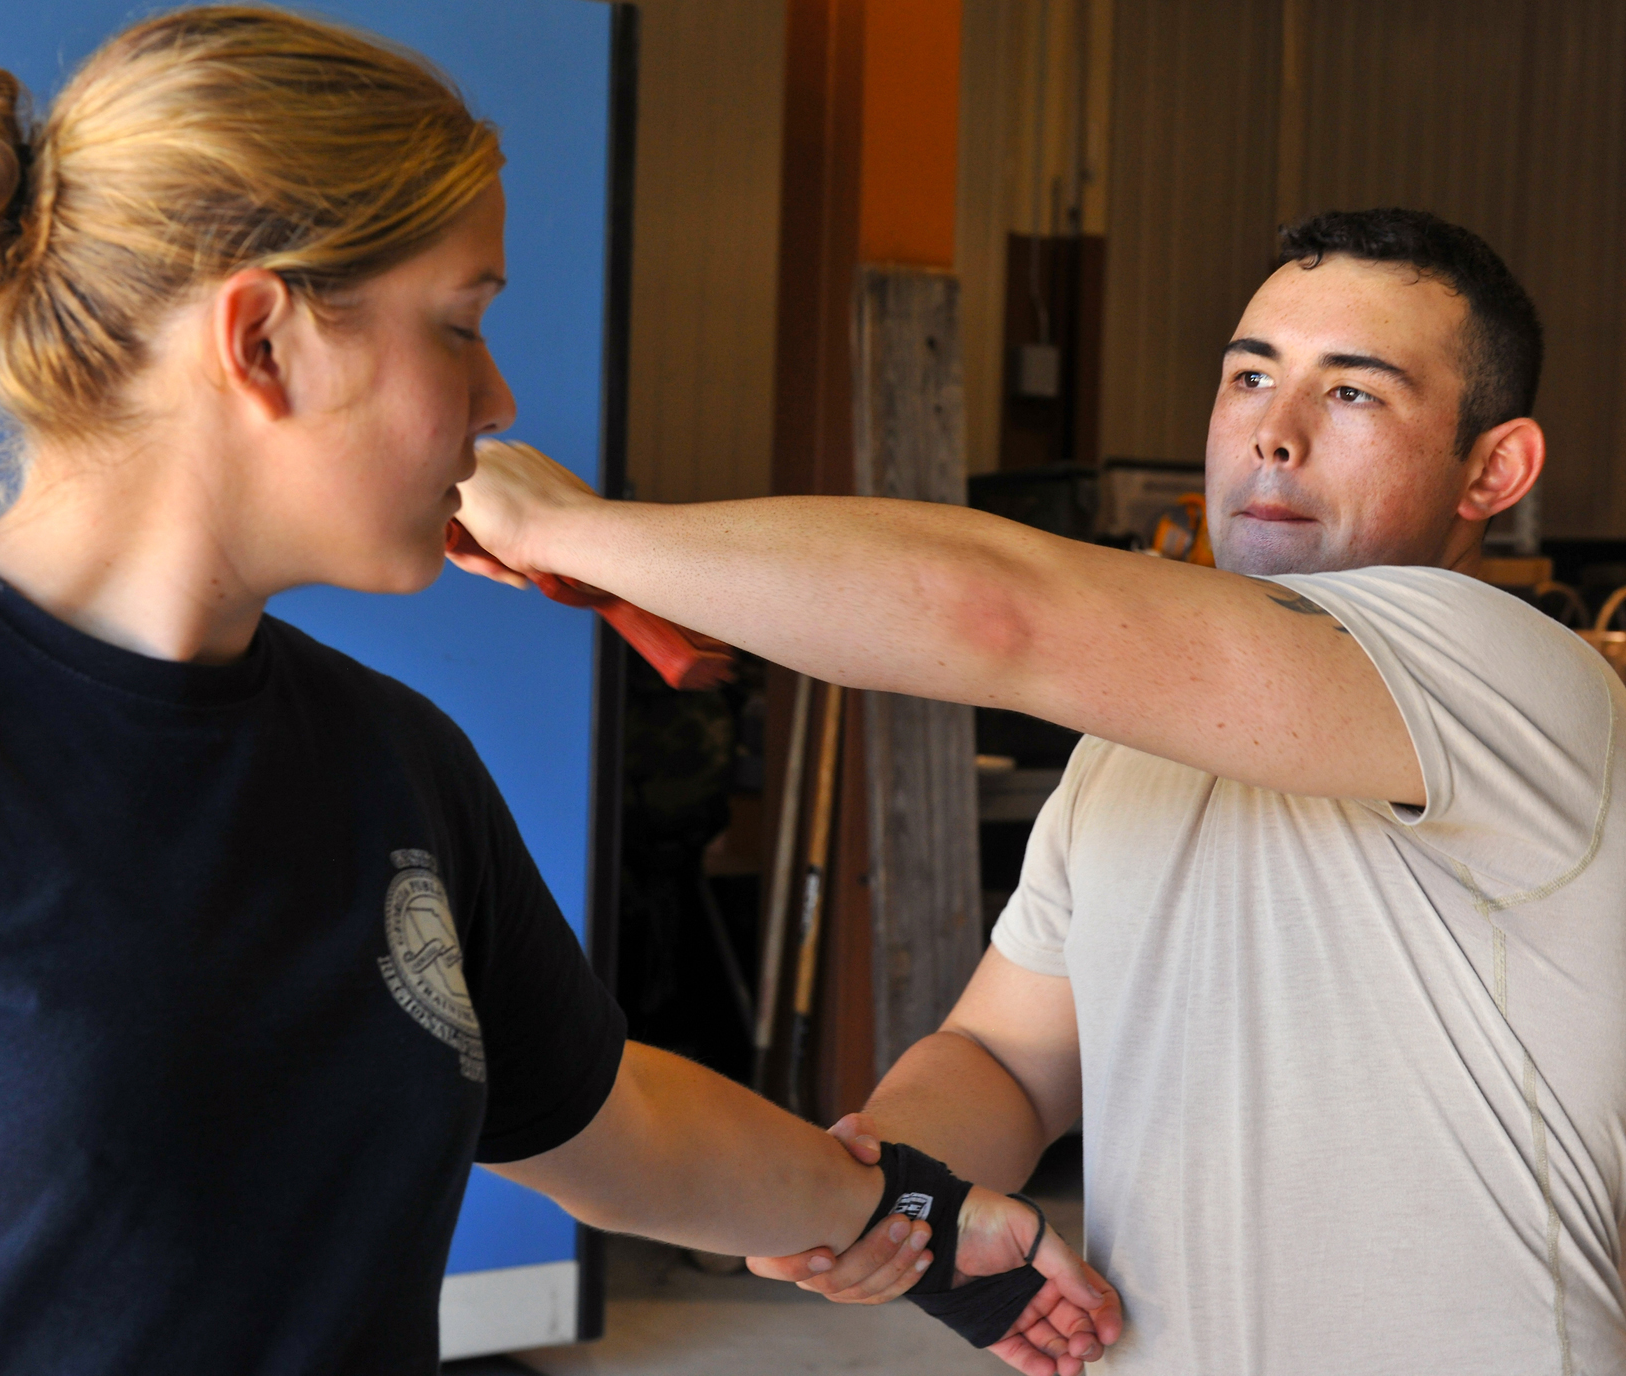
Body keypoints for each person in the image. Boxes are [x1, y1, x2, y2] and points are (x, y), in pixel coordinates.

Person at [0, 9, 1116, 1376]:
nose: (498, 399)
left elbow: (610, 1123)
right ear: (266, 339)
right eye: (463, 323)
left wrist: (908, 1218)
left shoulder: (393, 767)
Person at [450, 208, 1626, 1372]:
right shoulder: (1138, 747)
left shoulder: (1512, 676)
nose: (1274, 432)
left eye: (1355, 392)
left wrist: (574, 527)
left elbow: (996, 614)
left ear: (1495, 468)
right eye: (1250, 375)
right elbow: (1004, 1059)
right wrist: (897, 1191)